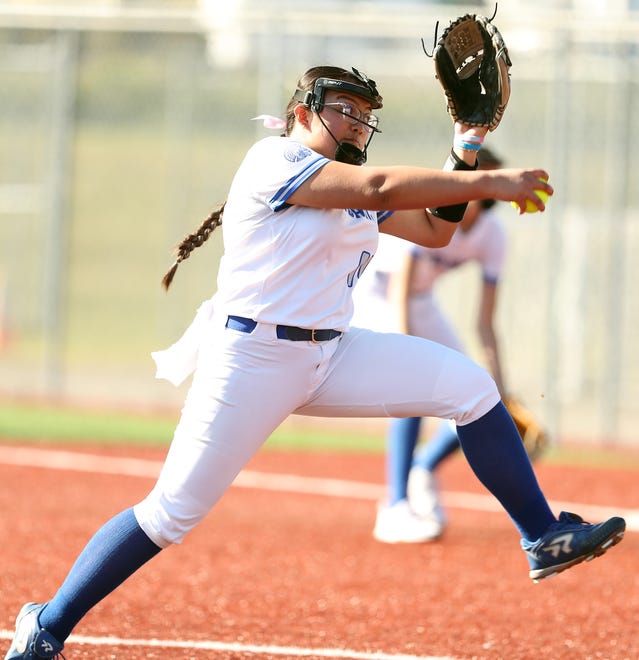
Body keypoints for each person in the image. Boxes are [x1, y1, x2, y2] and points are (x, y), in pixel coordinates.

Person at [5, 65, 625, 660]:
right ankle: (47, 624)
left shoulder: (349, 187)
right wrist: (489, 181)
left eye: (366, 117)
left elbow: (435, 232)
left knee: (470, 387)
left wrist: (466, 147)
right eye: (344, 110)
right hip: (250, 359)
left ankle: (542, 535)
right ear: (301, 112)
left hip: (332, 351)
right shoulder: (274, 160)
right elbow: (379, 187)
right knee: (171, 514)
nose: (357, 123)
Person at [352, 147, 519, 543]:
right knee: (412, 387)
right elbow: (398, 292)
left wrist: (500, 381)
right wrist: (403, 353)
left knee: (483, 393)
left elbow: (485, 320)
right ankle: (394, 506)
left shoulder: (493, 235)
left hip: (422, 303)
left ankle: (421, 467)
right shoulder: (434, 213)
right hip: (374, 297)